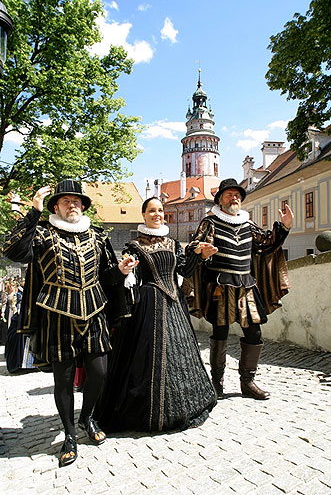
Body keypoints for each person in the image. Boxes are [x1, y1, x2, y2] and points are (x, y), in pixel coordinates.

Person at [2, 180, 137, 467]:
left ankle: (86, 416)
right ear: (56, 207)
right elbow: (11, 251)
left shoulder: (97, 237)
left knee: (99, 373)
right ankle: (69, 434)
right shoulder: (41, 234)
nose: (72, 204)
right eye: (66, 201)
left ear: (83, 206)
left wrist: (120, 271)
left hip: (94, 312)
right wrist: (33, 213)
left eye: (77, 201)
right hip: (56, 316)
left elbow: (106, 278)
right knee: (62, 380)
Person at [94, 197, 218, 433]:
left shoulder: (172, 243)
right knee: (146, 360)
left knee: (179, 355)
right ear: (143, 215)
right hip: (149, 306)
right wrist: (127, 269)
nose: (157, 214)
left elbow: (184, 270)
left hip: (175, 305)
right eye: (152, 211)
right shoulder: (134, 246)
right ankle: (149, 412)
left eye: (160, 210)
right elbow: (133, 280)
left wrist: (200, 257)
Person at [190, 178, 293, 400]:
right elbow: (194, 246)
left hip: (246, 286)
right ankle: (216, 383)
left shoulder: (248, 224)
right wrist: (201, 250)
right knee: (220, 332)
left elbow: (267, 243)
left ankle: (248, 382)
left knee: (254, 332)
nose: (234, 197)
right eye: (229, 194)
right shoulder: (210, 223)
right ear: (219, 199)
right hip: (220, 287)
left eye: (237, 194)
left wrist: (284, 227)